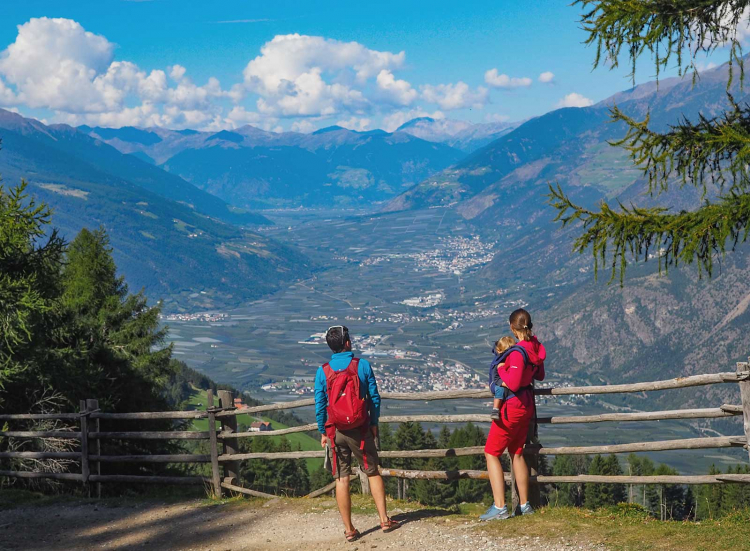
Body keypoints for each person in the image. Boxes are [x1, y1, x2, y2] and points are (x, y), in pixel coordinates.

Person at [314, 325, 400, 542]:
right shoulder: (361, 366)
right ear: (348, 343)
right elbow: (374, 397)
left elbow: (320, 405)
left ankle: (350, 530)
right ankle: (384, 520)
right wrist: (373, 422)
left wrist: (323, 431)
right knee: (372, 472)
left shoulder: (323, 371)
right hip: (360, 430)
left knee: (342, 479)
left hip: (335, 431)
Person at [480, 308, 546, 521]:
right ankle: (524, 505)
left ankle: (500, 507)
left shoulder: (517, 351)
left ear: (512, 327)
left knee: (491, 452)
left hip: (512, 407)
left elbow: (515, 382)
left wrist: (501, 370)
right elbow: (540, 374)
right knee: (517, 452)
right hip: (526, 405)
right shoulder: (533, 348)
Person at [490, 335, 517, 421]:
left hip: (505, 382)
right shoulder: (498, 363)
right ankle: (495, 409)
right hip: (495, 382)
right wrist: (507, 384)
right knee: (500, 389)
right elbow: (496, 379)